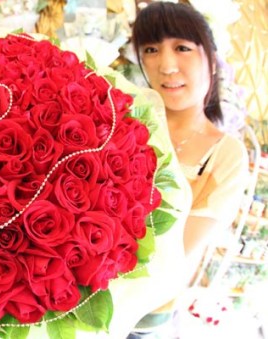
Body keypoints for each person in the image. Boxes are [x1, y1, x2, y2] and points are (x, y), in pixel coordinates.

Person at [129, 2, 249, 336]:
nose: (166, 65)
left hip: (143, 319)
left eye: (182, 48)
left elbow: (170, 252)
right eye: (151, 49)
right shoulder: (124, 124)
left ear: (211, 60)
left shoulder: (225, 155)